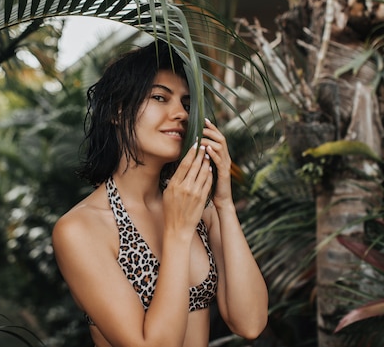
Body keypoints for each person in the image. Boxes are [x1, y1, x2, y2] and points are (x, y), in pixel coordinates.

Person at [52, 40, 268, 347]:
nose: (180, 113)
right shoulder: (81, 229)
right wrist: (178, 232)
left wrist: (224, 204)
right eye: (159, 97)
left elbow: (250, 322)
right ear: (117, 110)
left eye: (186, 103)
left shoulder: (197, 208)